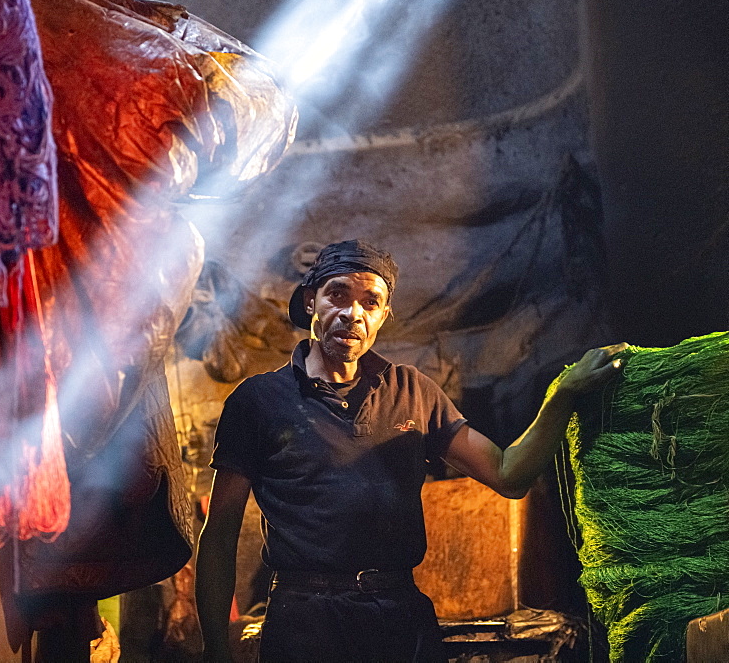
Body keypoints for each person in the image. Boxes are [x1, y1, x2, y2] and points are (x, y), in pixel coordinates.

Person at [194, 240, 626, 662]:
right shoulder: (258, 401)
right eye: (338, 295)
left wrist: (563, 395)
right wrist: (216, 649)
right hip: (306, 618)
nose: (352, 314)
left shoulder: (413, 392)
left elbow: (509, 475)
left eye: (370, 302)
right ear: (311, 302)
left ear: (383, 315)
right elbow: (219, 536)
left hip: (400, 617)